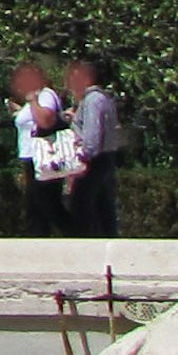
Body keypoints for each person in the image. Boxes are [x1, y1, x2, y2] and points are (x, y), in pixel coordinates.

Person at [10, 61, 74, 236]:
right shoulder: (34, 99)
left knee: (47, 203)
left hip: (43, 158)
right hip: (31, 158)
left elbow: (46, 120)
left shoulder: (44, 96)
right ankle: (38, 242)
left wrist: (32, 101)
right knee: (36, 207)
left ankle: (76, 234)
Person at [64, 53, 124, 238]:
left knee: (82, 205)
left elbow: (92, 135)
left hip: (94, 160)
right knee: (103, 207)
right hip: (103, 159)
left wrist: (81, 158)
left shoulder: (93, 100)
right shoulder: (98, 99)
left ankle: (88, 249)